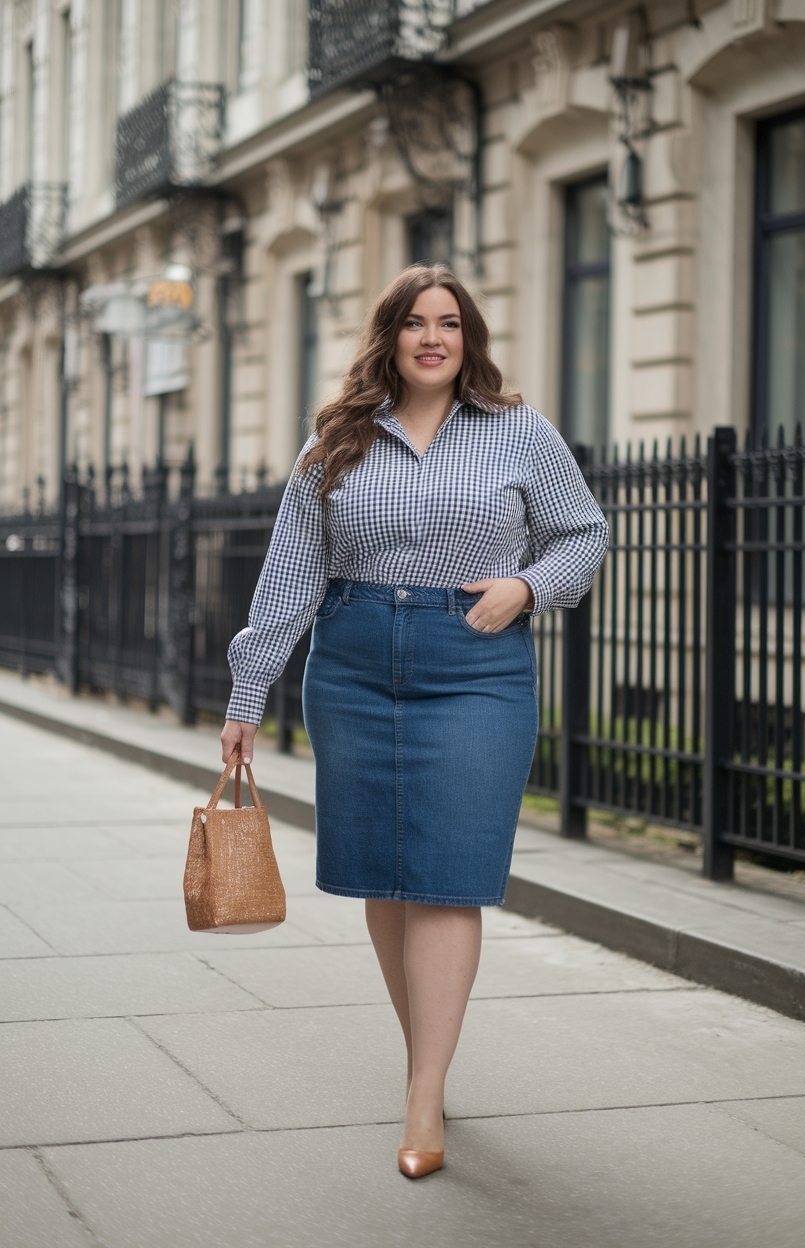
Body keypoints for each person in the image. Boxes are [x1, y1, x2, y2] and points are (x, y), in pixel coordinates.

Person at [221, 264, 608, 1179]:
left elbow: (582, 533)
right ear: (388, 337)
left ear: (468, 338)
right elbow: (288, 580)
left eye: (450, 323)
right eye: (414, 323)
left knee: (447, 876)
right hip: (352, 664)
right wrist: (246, 698)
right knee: (388, 878)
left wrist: (527, 586)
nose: (432, 338)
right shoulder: (337, 443)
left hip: (475, 663)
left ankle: (424, 1093)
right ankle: (423, 1064)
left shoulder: (519, 432)